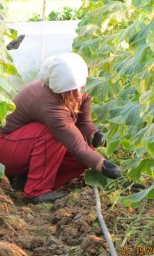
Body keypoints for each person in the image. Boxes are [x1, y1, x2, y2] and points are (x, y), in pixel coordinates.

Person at [0, 53, 121, 204]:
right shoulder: (48, 103)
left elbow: (84, 123)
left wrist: (94, 134)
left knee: (85, 156)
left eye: (80, 87)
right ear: (59, 88)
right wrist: (107, 167)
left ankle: (25, 181)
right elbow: (77, 146)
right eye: (71, 90)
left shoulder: (81, 90)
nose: (77, 93)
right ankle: (36, 191)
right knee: (51, 135)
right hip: (6, 147)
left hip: (24, 146)